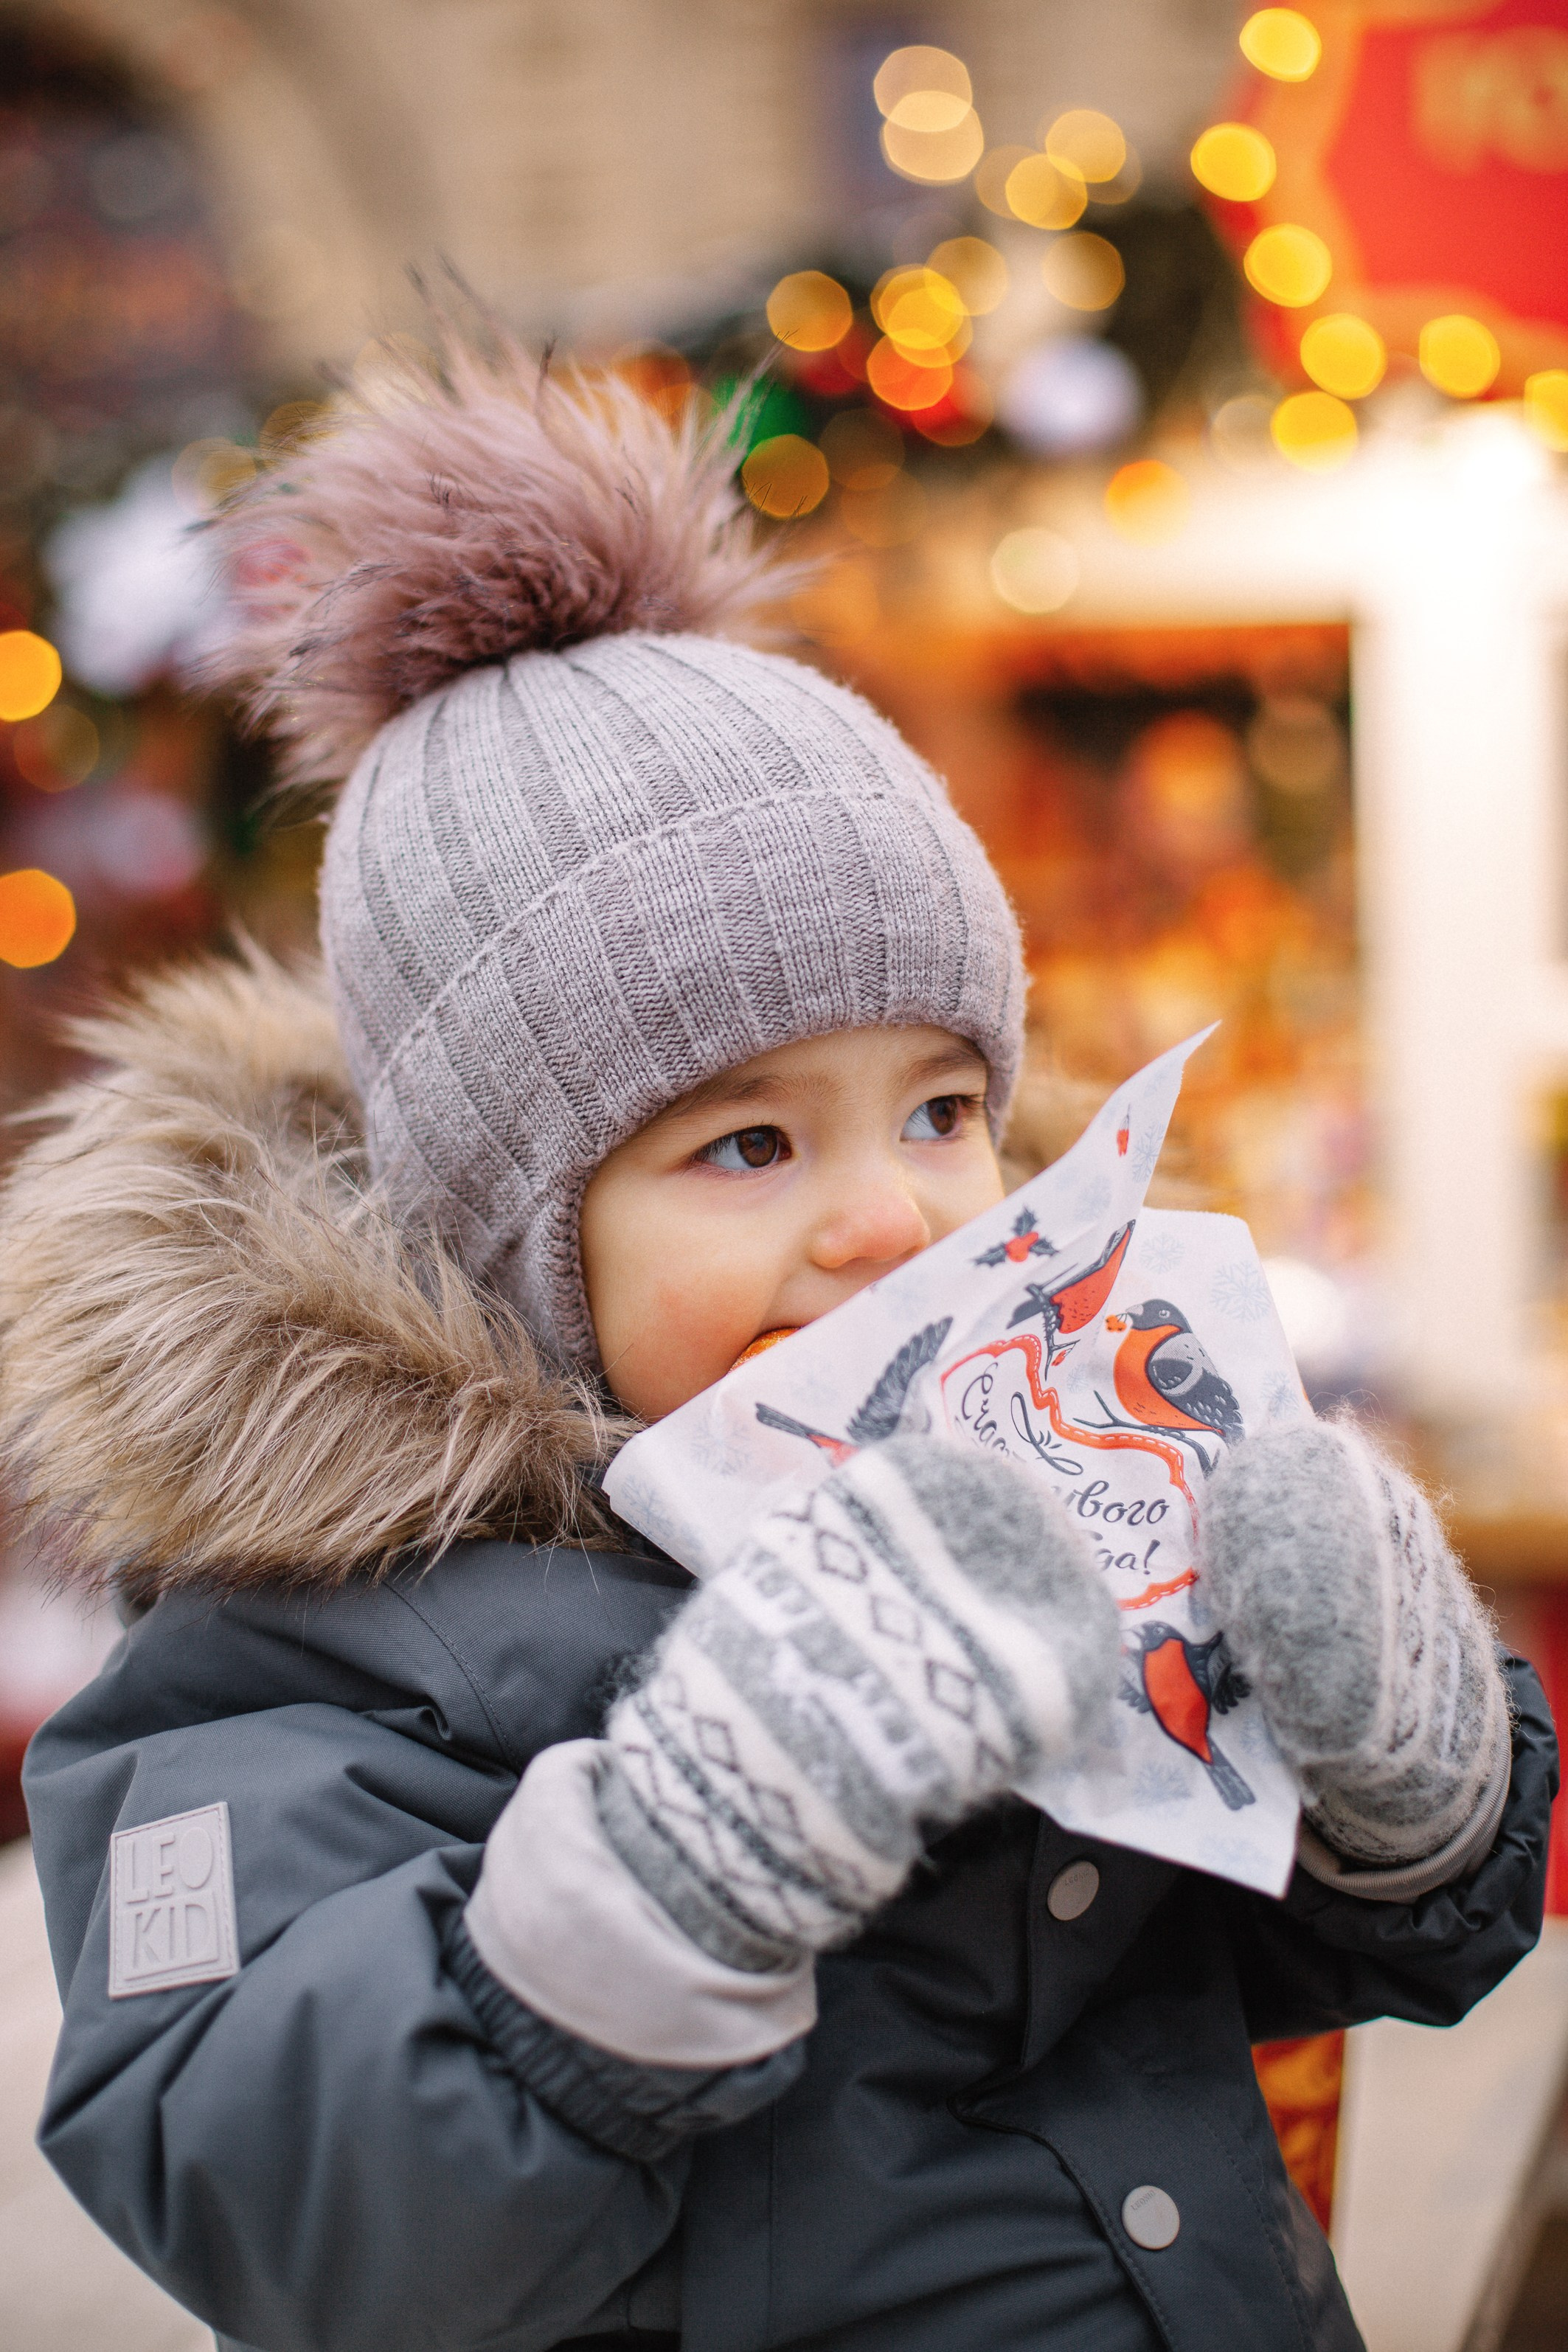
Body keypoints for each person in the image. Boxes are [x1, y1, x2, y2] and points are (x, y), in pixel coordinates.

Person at [6, 335, 1553, 2352]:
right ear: (511, 1236)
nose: (895, 1217)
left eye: (938, 1108)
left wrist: (1414, 1783)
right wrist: (681, 1870)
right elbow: (283, 2207)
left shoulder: (1047, 1455)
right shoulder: (299, 1651)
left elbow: (1303, 1958)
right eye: (746, 1143)